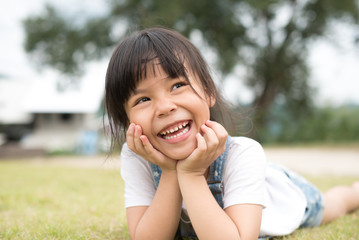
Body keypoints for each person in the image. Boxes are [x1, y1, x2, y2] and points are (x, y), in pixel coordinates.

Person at [104, 27, 359, 240]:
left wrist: (191, 174)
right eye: (143, 99)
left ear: (208, 92)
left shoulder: (242, 153)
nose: (165, 107)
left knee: (334, 205)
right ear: (127, 120)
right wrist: (171, 172)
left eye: (178, 85)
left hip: (284, 197)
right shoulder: (137, 157)